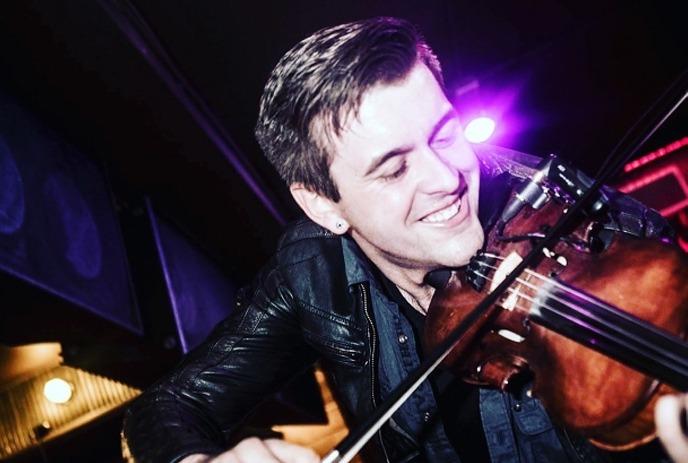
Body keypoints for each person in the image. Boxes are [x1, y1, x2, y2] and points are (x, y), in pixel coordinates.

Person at [122, 17, 673, 463]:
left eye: (444, 134)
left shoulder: (603, 232)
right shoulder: (309, 270)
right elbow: (166, 407)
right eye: (392, 170)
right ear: (323, 205)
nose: (447, 178)